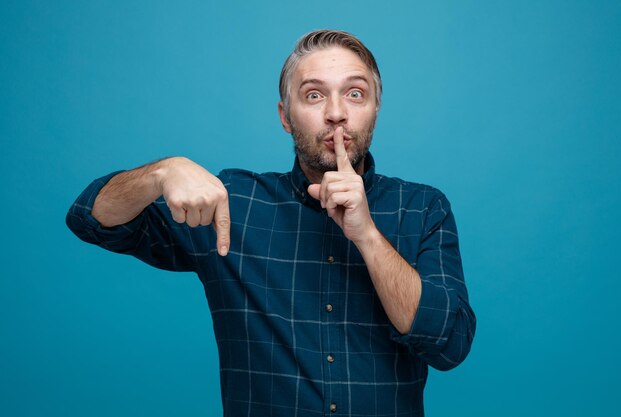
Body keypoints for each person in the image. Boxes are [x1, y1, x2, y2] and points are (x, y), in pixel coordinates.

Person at [67, 29, 475, 417]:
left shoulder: (422, 208)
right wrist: (160, 172)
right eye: (314, 95)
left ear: (375, 109)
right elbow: (91, 218)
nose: (336, 114)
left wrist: (367, 235)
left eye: (355, 93)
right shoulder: (232, 203)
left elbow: (448, 345)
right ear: (285, 116)